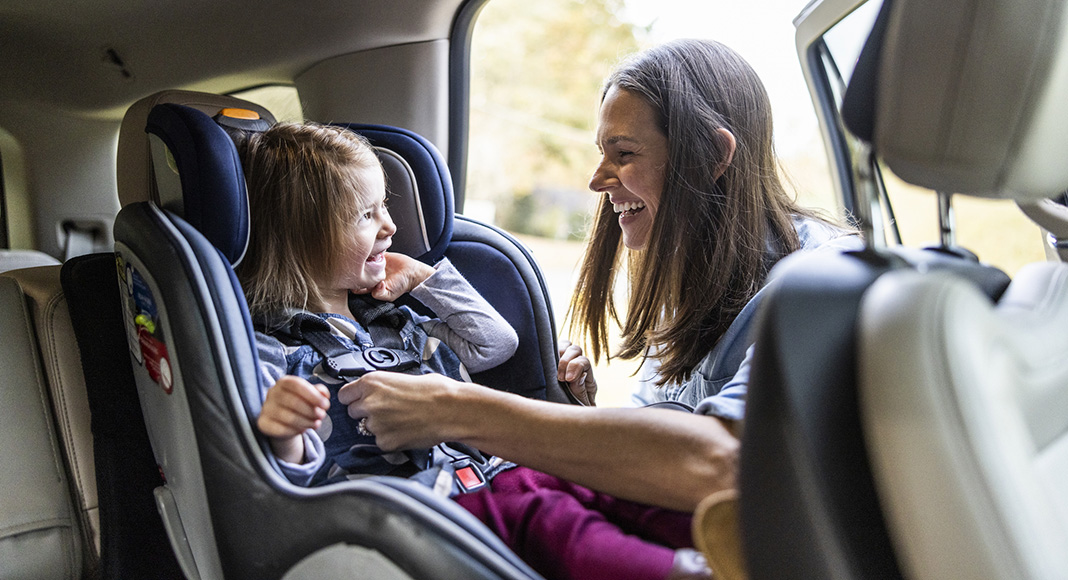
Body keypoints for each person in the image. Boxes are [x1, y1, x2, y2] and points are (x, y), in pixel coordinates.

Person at [339, 38, 859, 514]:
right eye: (602, 153)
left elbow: (722, 466)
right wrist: (585, 412)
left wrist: (458, 409)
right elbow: (666, 435)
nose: (596, 180)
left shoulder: (819, 283)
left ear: (714, 156)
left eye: (624, 153)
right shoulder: (693, 281)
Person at [235, 121, 713, 580]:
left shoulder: (395, 321)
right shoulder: (271, 350)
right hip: (412, 519)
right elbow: (283, 483)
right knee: (544, 516)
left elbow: (495, 344)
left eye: (384, 206)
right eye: (366, 215)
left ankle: (726, 539)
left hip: (485, 477)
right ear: (302, 235)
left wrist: (424, 278)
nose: (390, 226)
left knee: (592, 480)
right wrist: (287, 433)